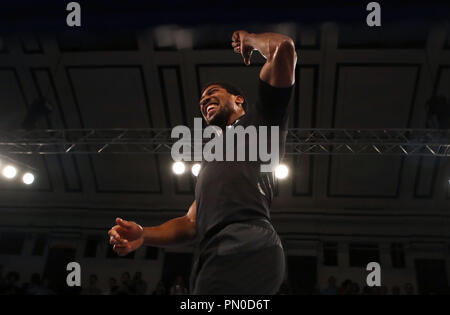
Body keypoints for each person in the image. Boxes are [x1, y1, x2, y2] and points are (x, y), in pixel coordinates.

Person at [108, 30, 296, 295]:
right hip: (211, 250)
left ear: (238, 99)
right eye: (201, 100)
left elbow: (284, 49)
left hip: (246, 240)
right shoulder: (210, 160)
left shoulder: (262, 121)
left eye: (212, 93)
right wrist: (143, 234)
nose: (205, 100)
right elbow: (190, 223)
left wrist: (251, 40)